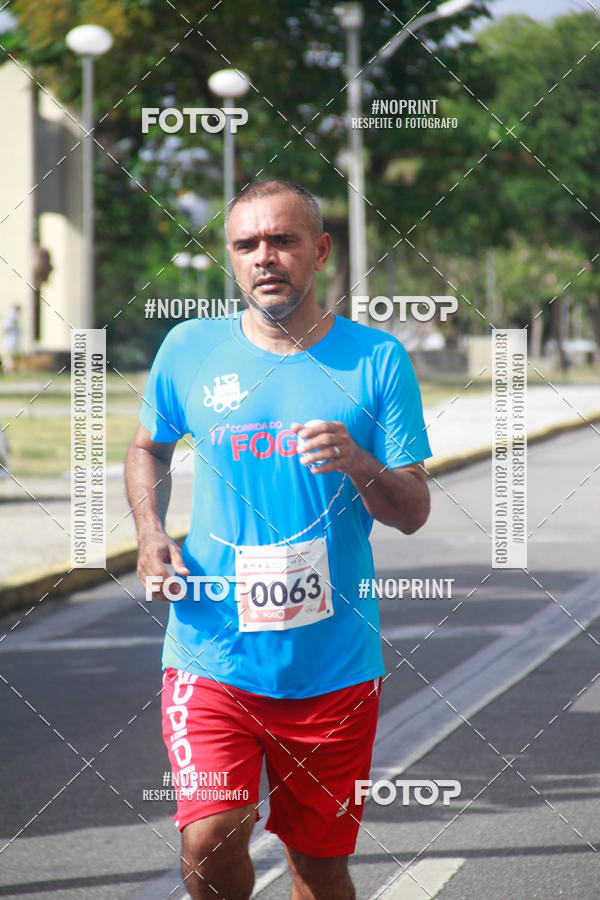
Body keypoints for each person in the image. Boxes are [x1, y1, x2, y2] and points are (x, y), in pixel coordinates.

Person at [125, 180, 431, 900]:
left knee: (317, 865)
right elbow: (148, 449)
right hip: (212, 651)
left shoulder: (376, 359)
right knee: (210, 833)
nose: (266, 257)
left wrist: (359, 460)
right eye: (247, 244)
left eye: (283, 240)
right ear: (231, 260)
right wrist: (148, 532)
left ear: (319, 251)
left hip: (333, 667)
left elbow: (413, 510)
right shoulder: (188, 349)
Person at [2, 304, 21, 374]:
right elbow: (6, 328)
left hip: (12, 340)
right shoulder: (12, 316)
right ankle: (8, 370)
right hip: (10, 340)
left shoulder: (15, 316)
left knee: (11, 355)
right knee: (9, 355)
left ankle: (10, 370)